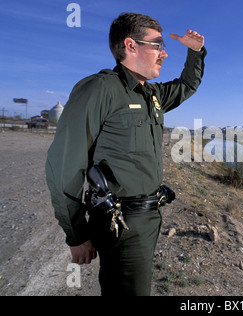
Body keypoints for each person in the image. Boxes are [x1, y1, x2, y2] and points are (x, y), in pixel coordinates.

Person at [45, 12, 206, 296]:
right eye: (157, 45)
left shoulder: (151, 95)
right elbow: (64, 167)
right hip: (121, 224)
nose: (164, 53)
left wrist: (196, 53)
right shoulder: (100, 89)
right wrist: (77, 234)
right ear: (131, 46)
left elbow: (186, 86)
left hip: (149, 219)